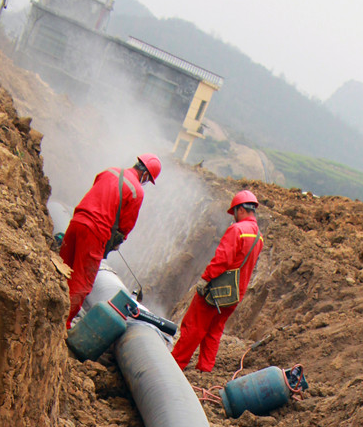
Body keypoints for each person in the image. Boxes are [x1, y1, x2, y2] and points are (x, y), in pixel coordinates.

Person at [59, 155, 162, 326]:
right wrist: (115, 242)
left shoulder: (110, 171)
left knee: (63, 268)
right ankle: (64, 323)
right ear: (145, 176)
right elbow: (126, 225)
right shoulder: (137, 191)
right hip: (95, 233)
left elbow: (96, 194)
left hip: (77, 221)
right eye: (148, 180)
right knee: (81, 281)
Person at [172, 189, 263, 375]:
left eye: (234, 212)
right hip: (235, 294)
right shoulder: (258, 237)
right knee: (214, 330)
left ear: (240, 209)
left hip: (217, 290)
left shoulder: (237, 230)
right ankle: (205, 369)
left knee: (194, 326)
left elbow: (222, 260)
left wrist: (205, 279)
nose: (234, 216)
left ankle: (175, 365)